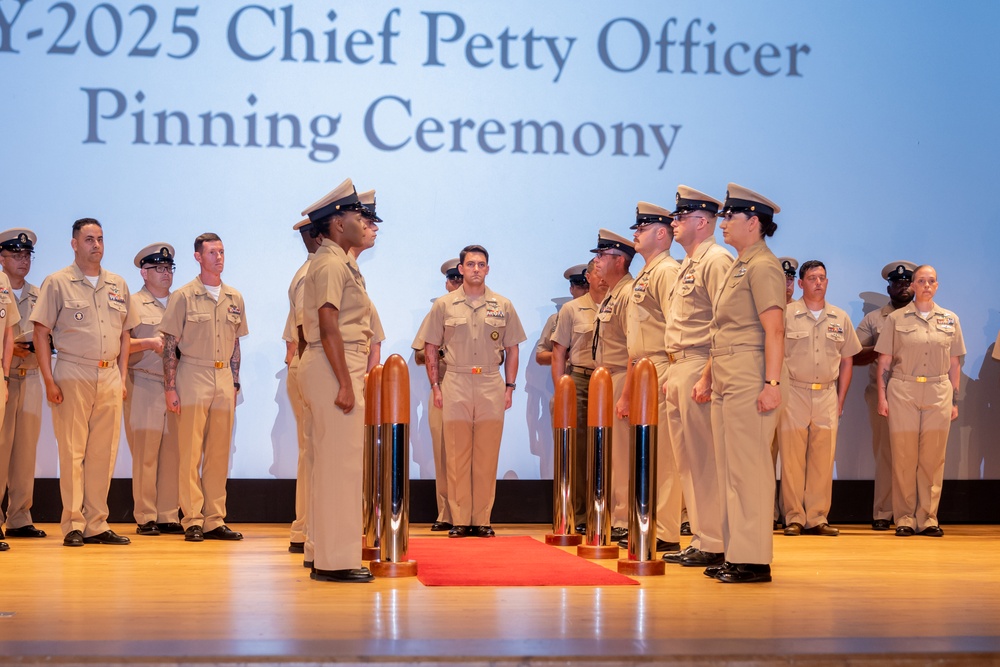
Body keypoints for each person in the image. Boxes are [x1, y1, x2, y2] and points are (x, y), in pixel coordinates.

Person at [32, 218, 139, 547]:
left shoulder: (118, 284)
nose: (96, 245)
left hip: (109, 375)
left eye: (100, 239)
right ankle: (73, 523)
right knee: (73, 451)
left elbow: (125, 335)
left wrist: (121, 377)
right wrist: (49, 380)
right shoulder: (58, 282)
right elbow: (40, 332)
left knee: (103, 454)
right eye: (89, 239)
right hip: (73, 372)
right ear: (74, 243)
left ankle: (97, 523)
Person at [703, 184, 785, 584]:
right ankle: (736, 551)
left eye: (729, 217)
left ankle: (754, 559)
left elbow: (775, 330)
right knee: (730, 469)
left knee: (749, 469)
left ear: (753, 222)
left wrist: (771, 382)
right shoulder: (740, 264)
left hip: (750, 373)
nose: (723, 224)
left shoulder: (763, 265)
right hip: (727, 373)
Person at [298, 178, 375, 582]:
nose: (361, 221)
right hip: (334, 367)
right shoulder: (330, 262)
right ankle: (336, 561)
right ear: (335, 222)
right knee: (339, 467)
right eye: (354, 214)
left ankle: (324, 553)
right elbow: (328, 324)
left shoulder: (338, 261)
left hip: (334, 365)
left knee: (331, 465)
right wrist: (346, 382)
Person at [423, 245, 526, 538]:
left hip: (491, 382)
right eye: (471, 264)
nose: (476, 269)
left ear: (488, 269)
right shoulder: (443, 305)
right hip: (455, 379)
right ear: (462, 268)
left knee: (486, 453)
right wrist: (435, 385)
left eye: (481, 264)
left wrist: (510, 386)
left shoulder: (503, 305)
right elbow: (430, 346)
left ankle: (481, 519)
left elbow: (513, 348)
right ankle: (458, 519)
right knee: (455, 454)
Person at [659, 186, 733, 568]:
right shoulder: (688, 263)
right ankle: (703, 536)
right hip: (679, 365)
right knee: (687, 459)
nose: (673, 223)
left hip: (701, 364)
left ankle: (717, 540)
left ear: (702, 222)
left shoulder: (717, 260)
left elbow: (725, 323)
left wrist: (706, 376)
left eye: (680, 217)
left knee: (705, 459)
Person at [160, 233, 248, 543]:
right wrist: (170, 387)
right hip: (193, 374)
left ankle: (215, 518)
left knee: (219, 452)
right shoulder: (183, 296)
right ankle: (192, 519)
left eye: (222, 252)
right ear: (198, 257)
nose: (219, 258)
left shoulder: (234, 297)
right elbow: (170, 345)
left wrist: (235, 381)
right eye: (212, 253)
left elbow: (236, 343)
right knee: (190, 451)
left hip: (224, 377)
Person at [876, 265, 964, 538]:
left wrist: (954, 400)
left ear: (937, 286)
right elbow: (884, 361)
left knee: (932, 459)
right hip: (903, 391)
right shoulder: (897, 319)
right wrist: (882, 395)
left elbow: (954, 364)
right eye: (921, 281)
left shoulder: (950, 319)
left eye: (931, 281)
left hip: (938, 391)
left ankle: (927, 517)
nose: (926, 285)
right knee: (903, 457)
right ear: (913, 286)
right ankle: (904, 517)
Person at [616, 202, 682, 552]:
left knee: (667, 457)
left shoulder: (667, 271)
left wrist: (672, 368)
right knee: (649, 454)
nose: (635, 234)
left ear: (661, 233)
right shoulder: (645, 273)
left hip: (661, 366)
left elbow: (676, 325)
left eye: (641, 229)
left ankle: (668, 532)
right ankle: (650, 523)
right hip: (643, 369)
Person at [778, 260, 861, 537]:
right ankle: (793, 516)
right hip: (794, 393)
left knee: (823, 459)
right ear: (800, 283)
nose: (818, 283)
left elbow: (848, 360)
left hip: (826, 393)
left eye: (822, 278)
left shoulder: (839, 317)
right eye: (812, 278)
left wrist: (840, 399)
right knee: (791, 459)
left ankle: (817, 516)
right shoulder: (786, 314)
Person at [124, 243, 182, 536]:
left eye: (169, 268)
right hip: (143, 380)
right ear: (144, 273)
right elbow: (119, 345)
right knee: (145, 452)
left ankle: (168, 513)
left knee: (173, 452)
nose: (166, 274)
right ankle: (146, 514)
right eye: (159, 268)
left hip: (174, 385)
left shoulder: (180, 302)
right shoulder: (131, 303)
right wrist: (148, 343)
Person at [853, 260, 916, 530]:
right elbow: (854, 355)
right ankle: (883, 511)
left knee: (916, 456)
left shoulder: (927, 316)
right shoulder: (874, 319)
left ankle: (912, 514)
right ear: (888, 286)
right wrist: (881, 349)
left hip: (917, 392)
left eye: (907, 282)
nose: (903, 286)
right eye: (897, 282)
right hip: (883, 394)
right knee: (886, 454)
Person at [588, 229, 636, 541]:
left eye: (602, 256)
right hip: (608, 378)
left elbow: (635, 349)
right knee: (614, 455)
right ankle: (617, 516)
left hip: (622, 376)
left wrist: (628, 394)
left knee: (623, 455)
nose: (597, 261)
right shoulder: (612, 294)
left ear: (619, 261)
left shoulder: (629, 293)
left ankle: (624, 520)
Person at [0, 229, 46, 543]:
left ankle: (19, 517)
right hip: (4, 378)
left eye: (27, 255)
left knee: (25, 452)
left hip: (29, 377)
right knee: (1, 451)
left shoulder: (39, 294)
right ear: (1, 258)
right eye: (16, 254)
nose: (23, 260)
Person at [412, 258, 462, 532]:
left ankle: (471, 514)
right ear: (446, 282)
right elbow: (420, 354)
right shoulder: (437, 311)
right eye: (452, 278)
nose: (456, 282)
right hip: (442, 388)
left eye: (459, 277)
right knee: (443, 454)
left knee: (471, 454)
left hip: (474, 387)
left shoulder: (488, 308)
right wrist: (443, 351)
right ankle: (446, 512)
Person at [283, 218, 320, 554]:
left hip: (308, 364)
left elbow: (290, 343)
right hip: (317, 366)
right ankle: (309, 530)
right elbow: (307, 334)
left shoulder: (307, 272)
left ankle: (305, 528)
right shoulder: (314, 274)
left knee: (312, 451)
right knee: (316, 452)